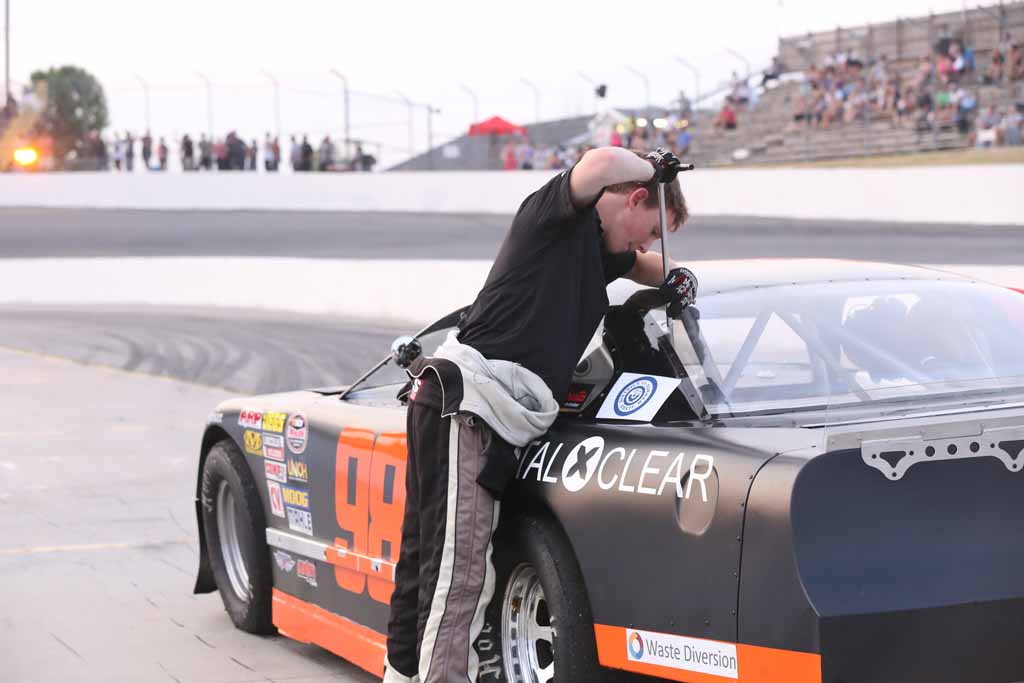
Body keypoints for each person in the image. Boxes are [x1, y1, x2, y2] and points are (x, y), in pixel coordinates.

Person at [382, 147, 695, 683]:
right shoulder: (555, 218)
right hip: (469, 406)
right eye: (650, 231)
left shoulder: (598, 252)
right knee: (459, 575)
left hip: (450, 402)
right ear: (636, 197)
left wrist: (678, 275)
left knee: (424, 563)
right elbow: (600, 164)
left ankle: (402, 676)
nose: (646, 246)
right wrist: (653, 166)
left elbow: (649, 267)